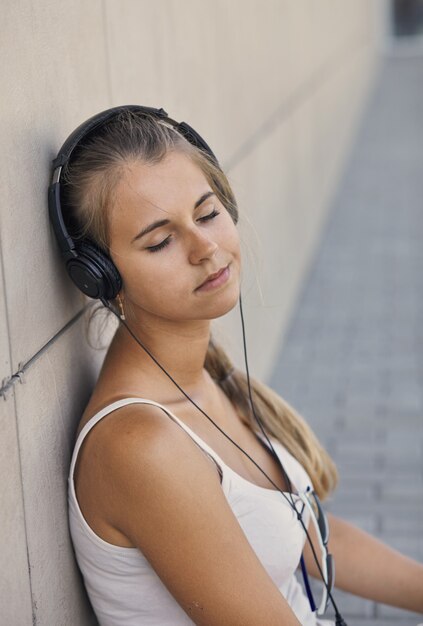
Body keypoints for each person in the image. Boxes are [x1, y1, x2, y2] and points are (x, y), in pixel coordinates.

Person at [49, 106, 423, 626]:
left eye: (206, 214)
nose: (205, 248)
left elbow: (307, 539)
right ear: (101, 277)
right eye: (160, 241)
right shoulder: (139, 445)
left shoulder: (202, 376)